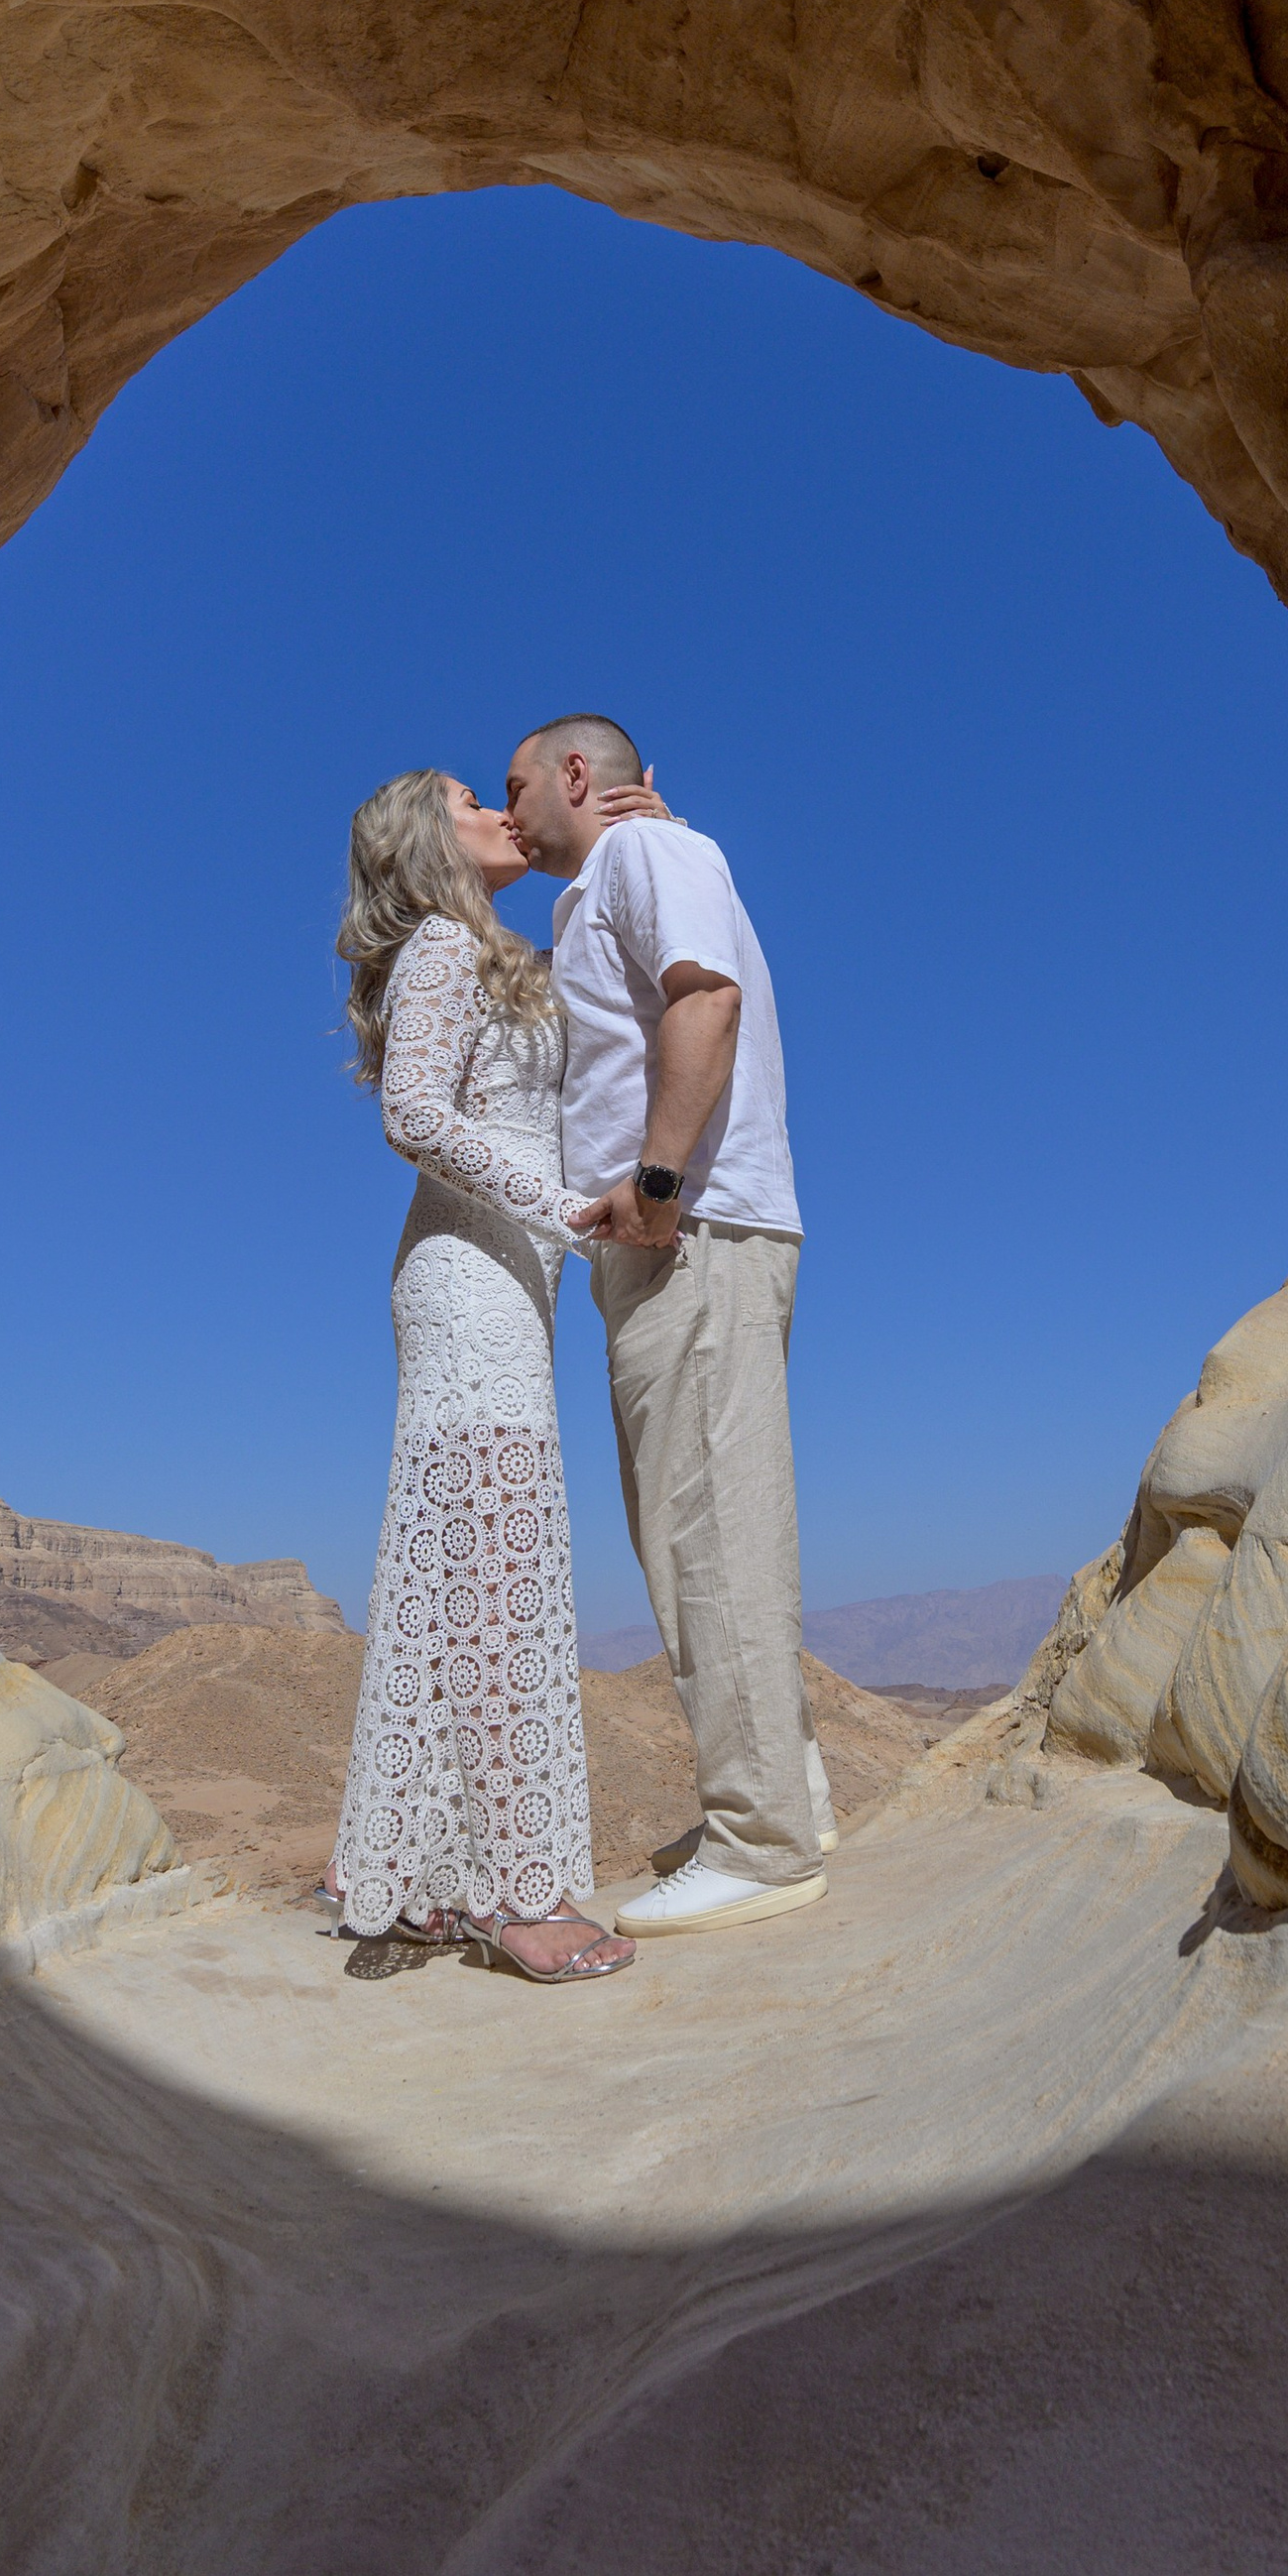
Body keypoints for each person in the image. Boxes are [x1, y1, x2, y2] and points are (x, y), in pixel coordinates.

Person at [503, 714, 833, 1939]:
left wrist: (653, 1183)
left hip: (686, 1229)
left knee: (706, 1527)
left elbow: (706, 999)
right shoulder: (617, 874)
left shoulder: (649, 858)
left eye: (518, 783)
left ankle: (762, 1844)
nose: (513, 806)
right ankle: (788, 1793)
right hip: (673, 1234)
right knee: (700, 1519)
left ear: (576, 775)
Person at [325, 769, 635, 1984]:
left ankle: (397, 1864)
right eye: (468, 799)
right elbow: (411, 1114)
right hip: (467, 1276)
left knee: (470, 1566)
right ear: (422, 842)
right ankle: (512, 1896)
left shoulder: (493, 953)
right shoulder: (441, 951)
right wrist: (558, 1205)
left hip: (508, 1275)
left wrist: (619, 833)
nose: (500, 811)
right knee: (493, 1573)